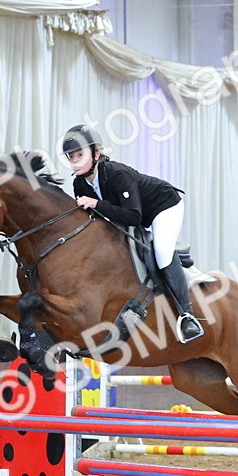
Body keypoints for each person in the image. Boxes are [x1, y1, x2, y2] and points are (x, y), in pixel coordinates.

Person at [61, 124, 204, 343]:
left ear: (96, 154)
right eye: (71, 157)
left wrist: (96, 203)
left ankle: (187, 316)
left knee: (162, 250)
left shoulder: (117, 174)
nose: (75, 161)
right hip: (132, 215)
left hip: (164, 206)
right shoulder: (79, 184)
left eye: (80, 155)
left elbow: (134, 216)